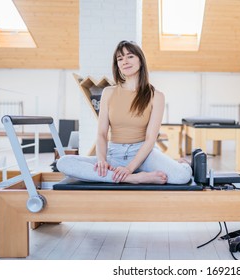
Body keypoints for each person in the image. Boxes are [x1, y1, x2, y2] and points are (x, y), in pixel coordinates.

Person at [57, 40, 192, 184]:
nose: (124, 61)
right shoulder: (108, 93)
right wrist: (102, 161)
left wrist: (129, 168)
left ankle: (183, 163)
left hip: (145, 155)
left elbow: (150, 139)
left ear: (140, 60)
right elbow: (102, 134)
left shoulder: (156, 96)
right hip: (114, 155)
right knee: (64, 162)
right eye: (120, 59)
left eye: (130, 56)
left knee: (182, 176)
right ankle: (134, 178)